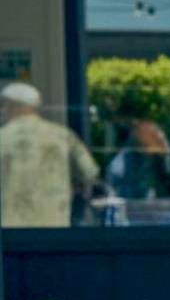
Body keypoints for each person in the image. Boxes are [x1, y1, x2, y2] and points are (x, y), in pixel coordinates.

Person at [0, 81, 98, 229]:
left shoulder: (2, 137)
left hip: (9, 231)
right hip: (54, 225)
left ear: (12, 106)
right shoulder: (62, 135)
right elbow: (89, 172)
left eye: (3, 105)